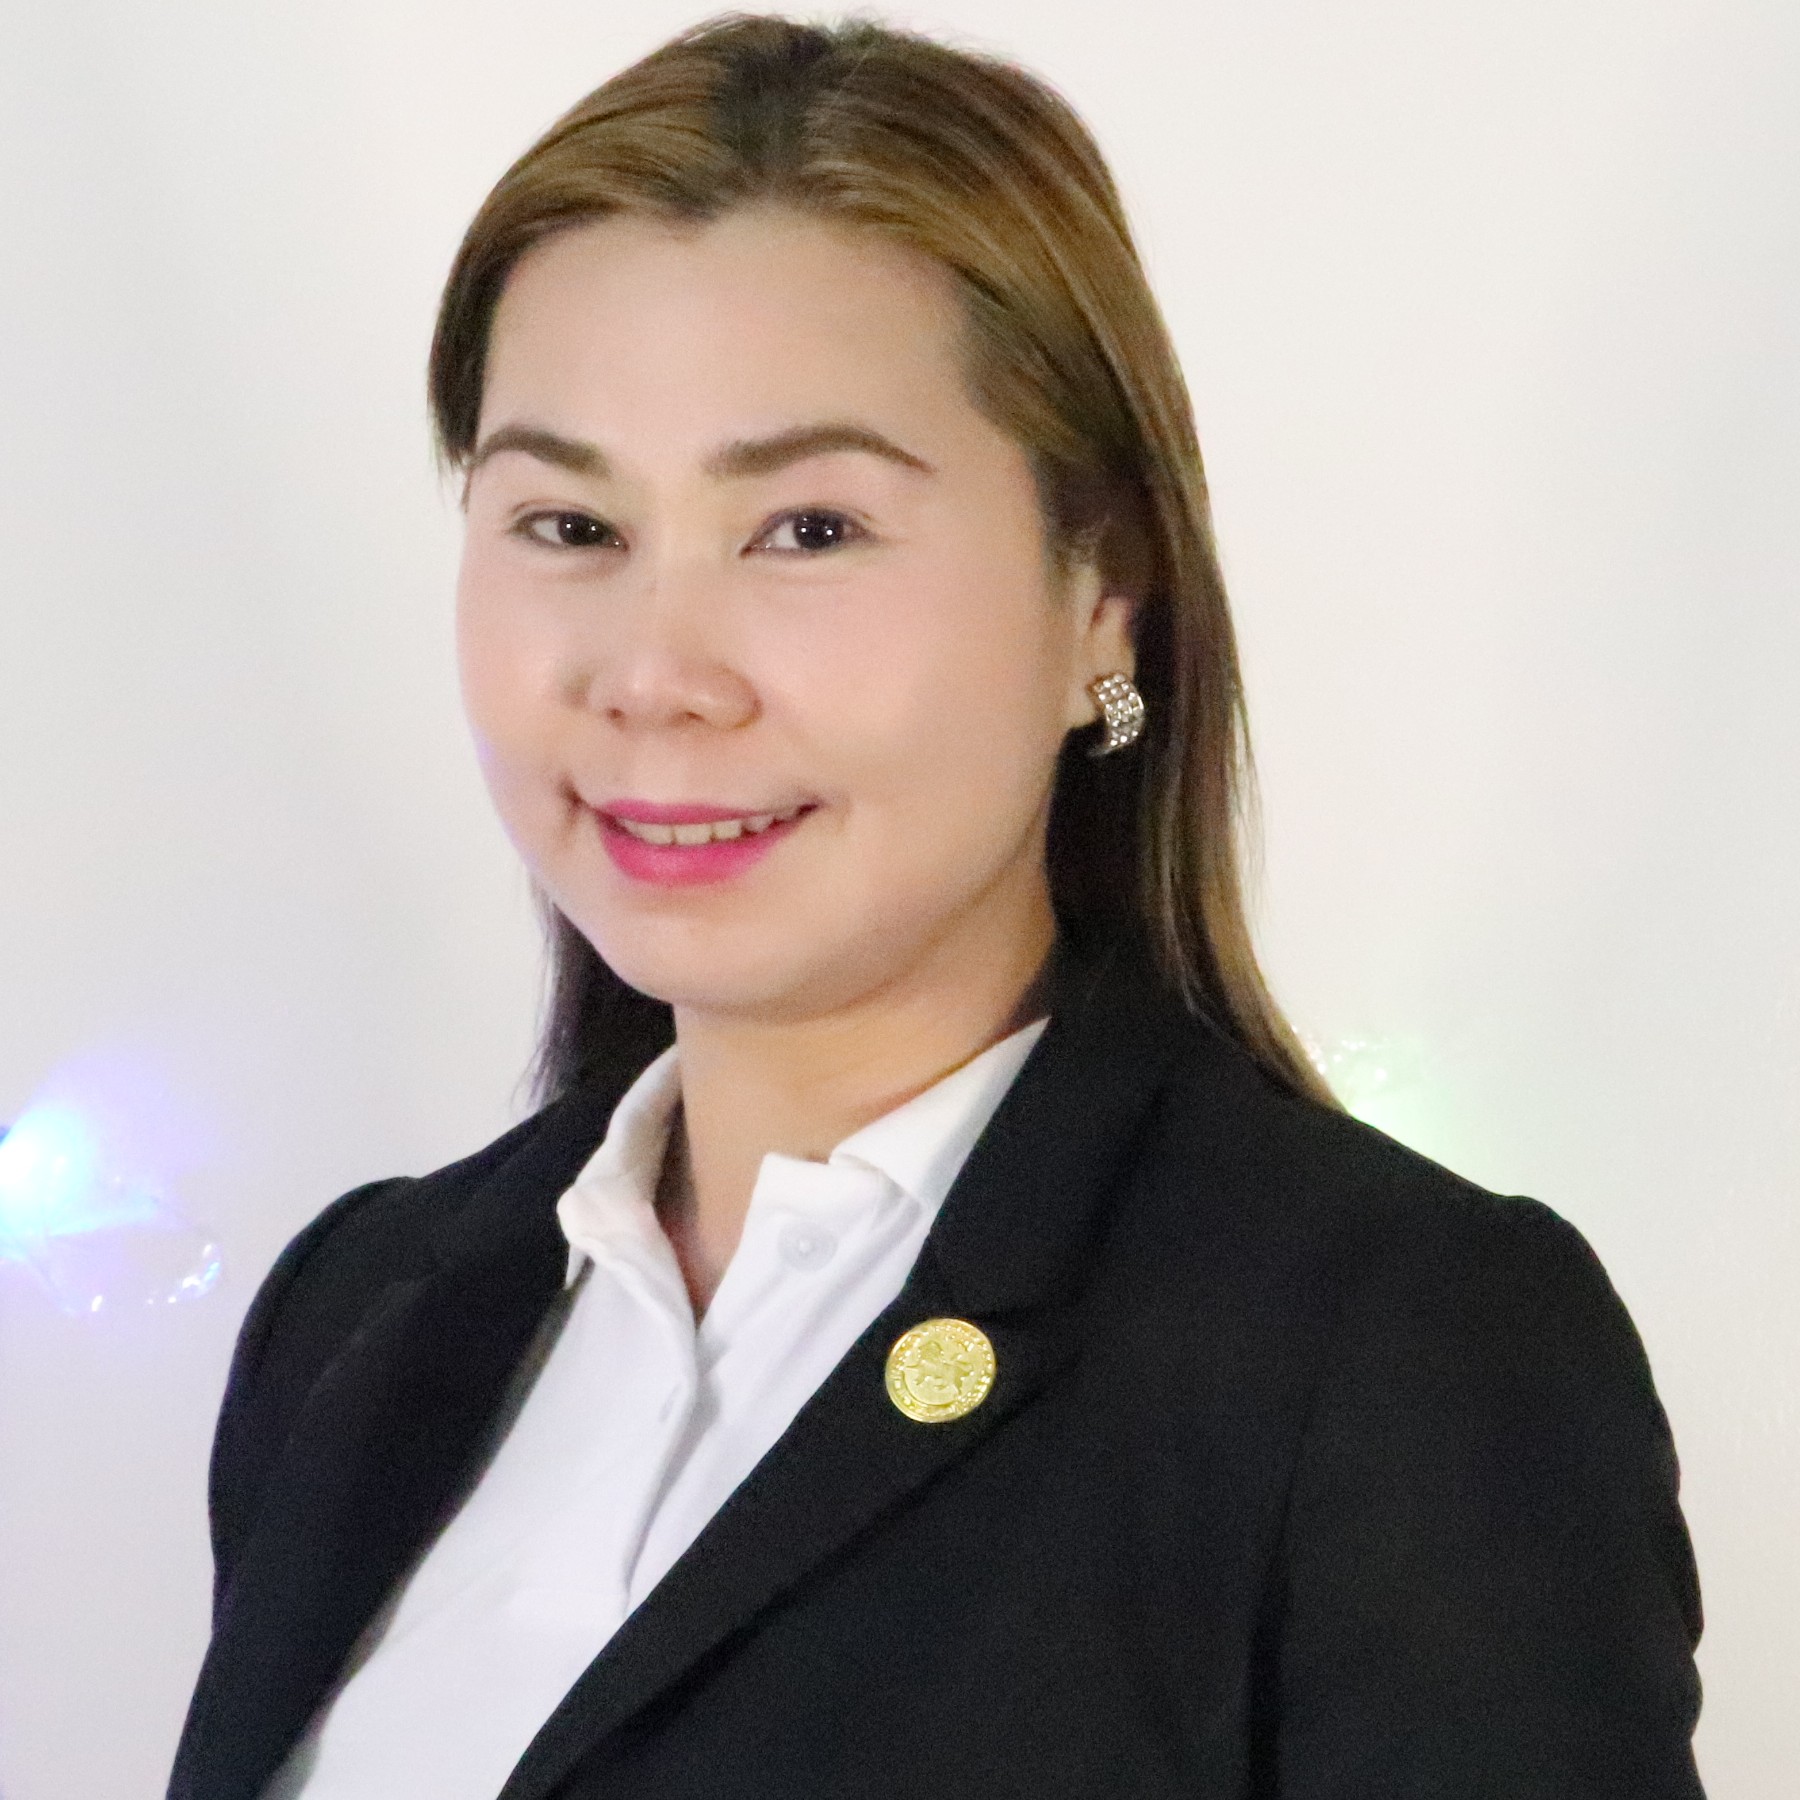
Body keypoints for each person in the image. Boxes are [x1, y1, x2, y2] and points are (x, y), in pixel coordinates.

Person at [166, 15, 1705, 1799]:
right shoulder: (367, 1312)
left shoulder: (1388, 1354)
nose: (653, 676)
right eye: (569, 526)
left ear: (1103, 592)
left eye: (808, 529)